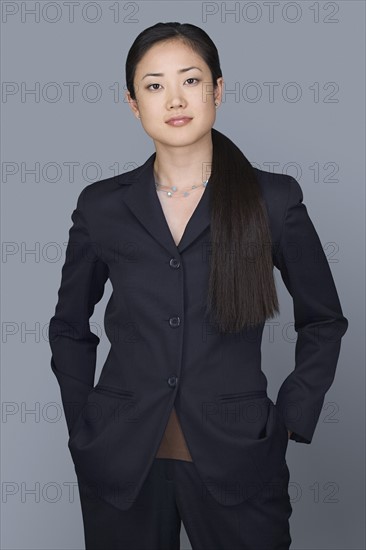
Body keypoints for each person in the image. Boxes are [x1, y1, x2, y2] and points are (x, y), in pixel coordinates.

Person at [49, 22, 349, 550]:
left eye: (190, 80)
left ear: (217, 89)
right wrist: (84, 422)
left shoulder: (272, 200)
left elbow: (324, 319)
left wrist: (291, 419)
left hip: (240, 458)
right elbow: (69, 327)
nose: (175, 99)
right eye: (154, 85)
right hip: (121, 463)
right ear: (132, 102)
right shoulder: (101, 206)